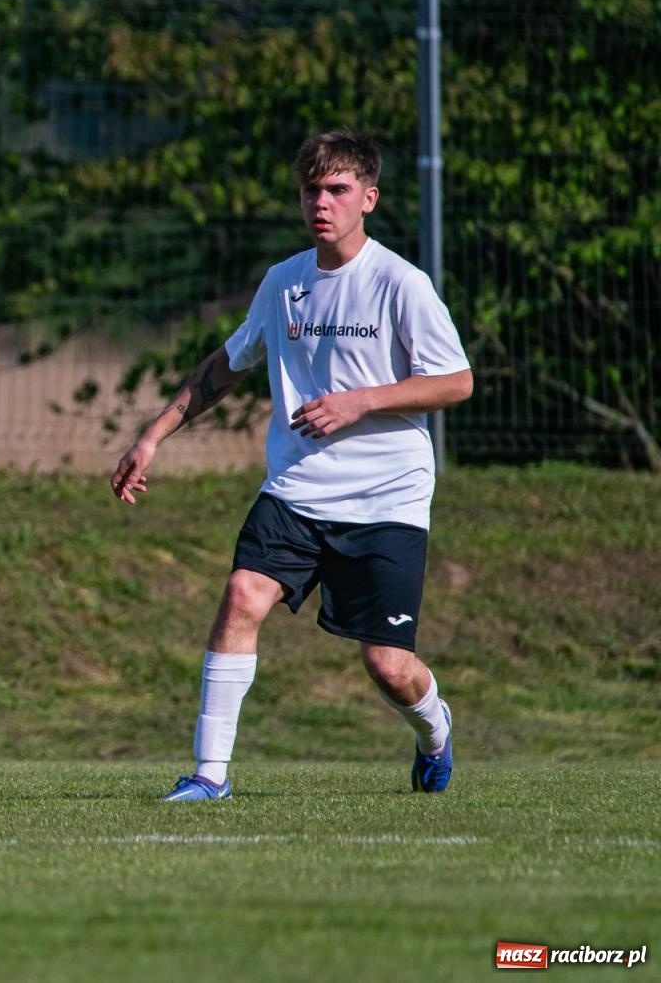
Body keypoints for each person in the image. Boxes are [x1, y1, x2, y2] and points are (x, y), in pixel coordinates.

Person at [110, 130, 473, 801]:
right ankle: (208, 775)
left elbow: (456, 382)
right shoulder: (284, 283)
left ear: (369, 197)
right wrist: (153, 435)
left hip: (386, 497)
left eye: (337, 189)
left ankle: (435, 730)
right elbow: (225, 366)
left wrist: (361, 402)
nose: (322, 202)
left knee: (388, 665)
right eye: (312, 189)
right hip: (297, 489)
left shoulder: (401, 283)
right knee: (243, 593)